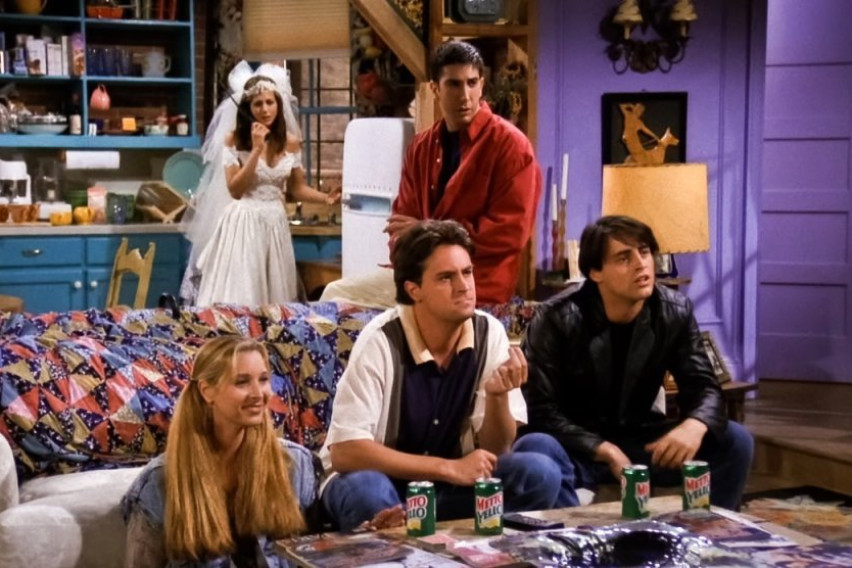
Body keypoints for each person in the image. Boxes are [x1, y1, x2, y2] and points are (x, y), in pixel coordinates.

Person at [320, 220, 570, 531]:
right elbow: (346, 452)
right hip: (383, 482)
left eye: (467, 272)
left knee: (538, 472)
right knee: (368, 491)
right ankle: (402, 539)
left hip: (446, 488)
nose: (464, 286)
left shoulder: (488, 332)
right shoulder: (381, 340)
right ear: (414, 290)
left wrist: (497, 397)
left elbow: (497, 450)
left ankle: (447, 538)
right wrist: (448, 468)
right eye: (446, 277)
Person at [519, 215, 754, 510]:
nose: (641, 265)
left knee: (735, 440)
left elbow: (704, 386)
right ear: (595, 272)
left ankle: (708, 530)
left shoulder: (673, 310)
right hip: (574, 445)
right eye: (624, 258)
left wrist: (695, 424)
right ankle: (572, 533)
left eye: (644, 252)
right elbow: (539, 409)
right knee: (536, 447)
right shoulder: (557, 317)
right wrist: (604, 449)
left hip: (640, 441)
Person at [321, 40, 541, 308]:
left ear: (482, 84)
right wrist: (411, 247)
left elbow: (509, 233)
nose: (465, 95)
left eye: (472, 83)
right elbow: (400, 225)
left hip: (475, 283)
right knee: (334, 294)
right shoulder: (422, 146)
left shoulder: (510, 146)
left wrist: (429, 231)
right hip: (422, 276)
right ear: (436, 88)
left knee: (342, 302)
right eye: (454, 84)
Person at [121, 336, 315, 567]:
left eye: (263, 380)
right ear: (207, 391)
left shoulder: (295, 463)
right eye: (242, 382)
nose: (258, 393)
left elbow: (320, 554)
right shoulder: (159, 483)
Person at [181, 61, 339, 307]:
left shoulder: (291, 142)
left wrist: (326, 198)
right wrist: (255, 150)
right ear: (248, 108)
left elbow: (297, 189)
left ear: (278, 104)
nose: (265, 109)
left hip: (275, 224)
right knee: (243, 295)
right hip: (244, 223)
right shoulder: (234, 140)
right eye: (258, 104)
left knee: (275, 297)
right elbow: (235, 190)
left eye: (270, 102)